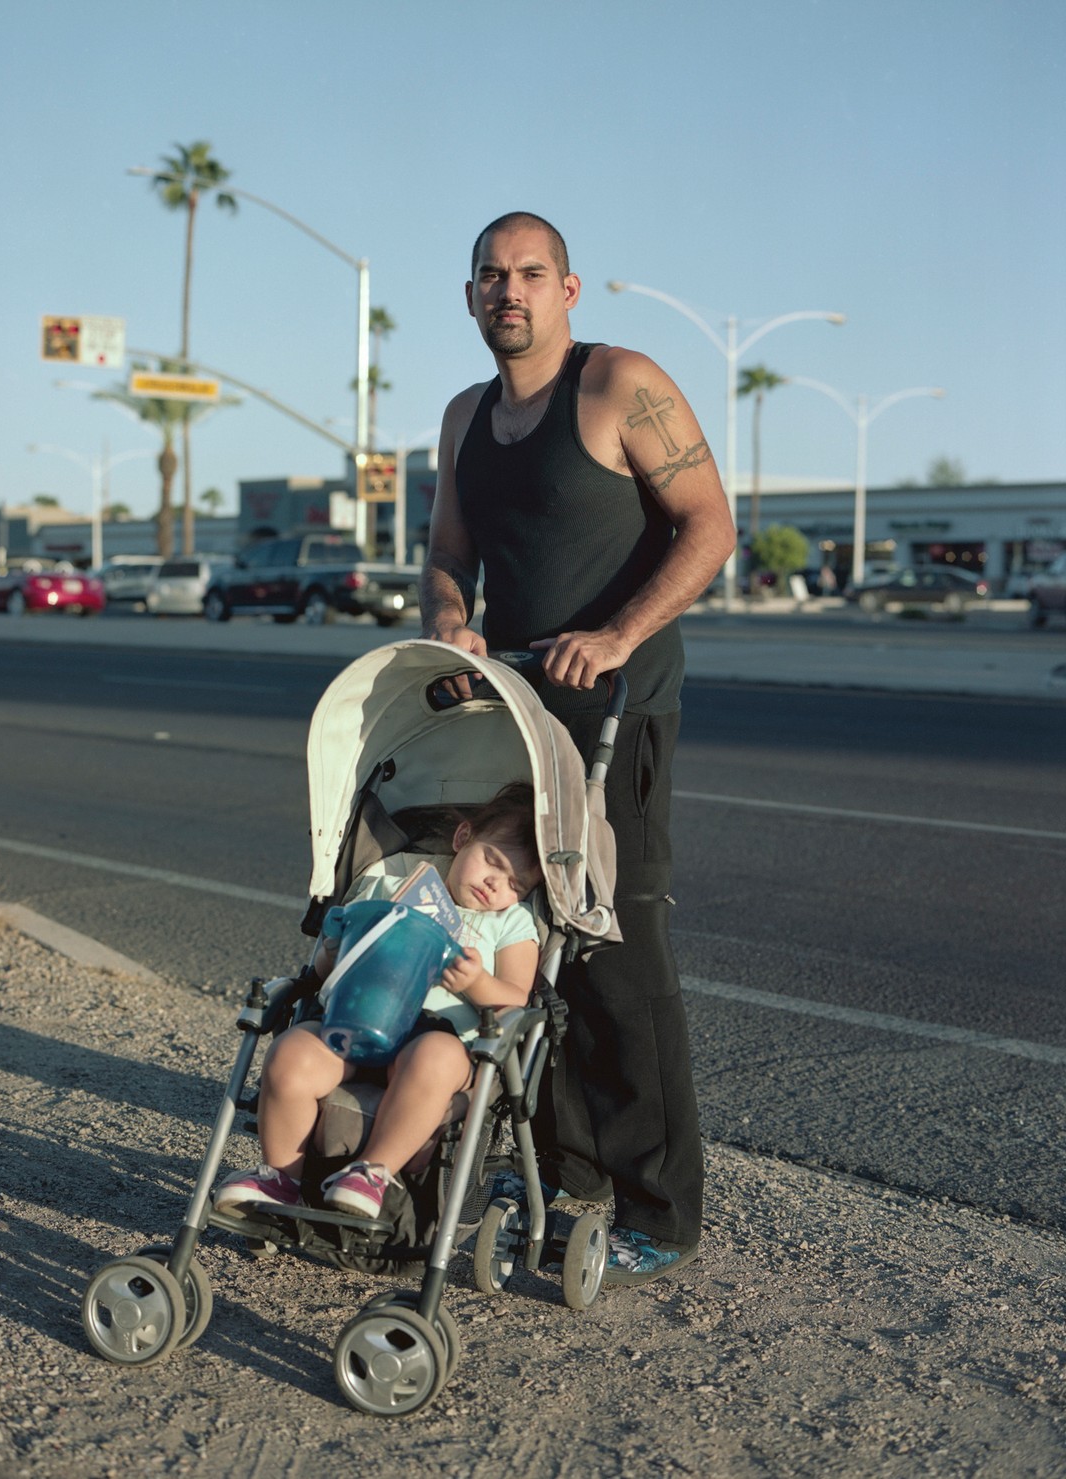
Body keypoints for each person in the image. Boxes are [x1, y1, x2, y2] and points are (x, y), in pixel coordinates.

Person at [419, 212, 737, 1286]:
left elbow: (708, 525)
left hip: (620, 711)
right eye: (490, 276)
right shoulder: (465, 416)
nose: (508, 291)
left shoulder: (619, 386)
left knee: (616, 948)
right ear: (470, 296)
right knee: (524, 936)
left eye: (529, 274)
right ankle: (569, 1172)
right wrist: (453, 624)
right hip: (514, 709)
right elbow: (450, 554)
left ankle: (659, 1204)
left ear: (569, 290)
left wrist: (617, 636)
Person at [214, 783, 543, 1220]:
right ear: (463, 839)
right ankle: (283, 1177)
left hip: (440, 1036)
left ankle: (372, 1171)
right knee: (292, 1053)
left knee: (435, 1057)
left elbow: (515, 1000)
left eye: (514, 883)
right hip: (357, 1015)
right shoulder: (392, 879)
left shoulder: (511, 922)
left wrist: (477, 981)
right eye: (492, 862)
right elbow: (326, 968)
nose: (493, 884)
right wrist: (336, 954)